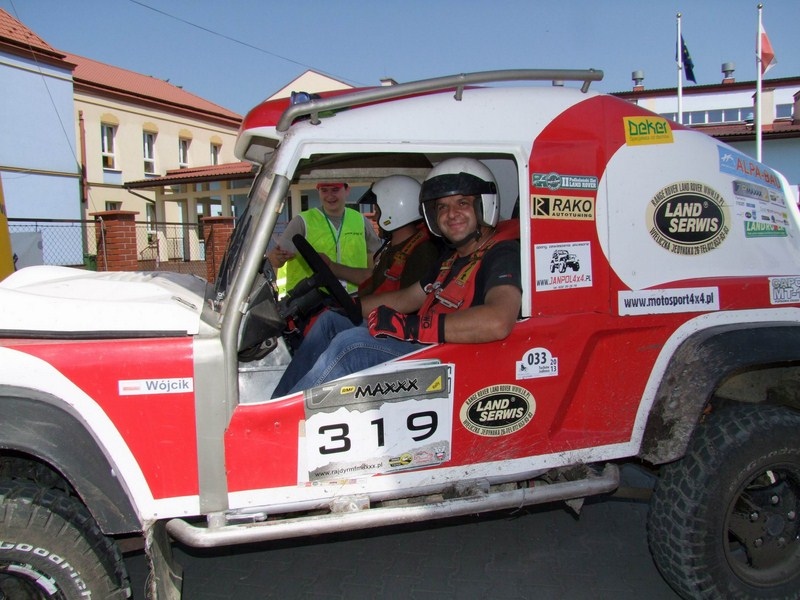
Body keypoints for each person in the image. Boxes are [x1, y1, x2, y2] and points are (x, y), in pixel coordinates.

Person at [273, 157, 521, 396]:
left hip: (454, 360)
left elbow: (498, 321)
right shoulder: (452, 258)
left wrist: (412, 327)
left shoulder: (503, 254)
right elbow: (406, 298)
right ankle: (279, 400)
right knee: (331, 322)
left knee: (351, 346)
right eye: (442, 207)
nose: (451, 214)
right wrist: (351, 305)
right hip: (430, 347)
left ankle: (281, 418)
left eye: (462, 203)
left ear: (483, 205)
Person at [271, 174, 441, 397]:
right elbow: (373, 277)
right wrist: (332, 267)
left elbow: (408, 301)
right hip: (377, 318)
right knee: (328, 320)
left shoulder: (423, 252)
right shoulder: (395, 247)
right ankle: (281, 397)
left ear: (393, 210)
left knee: (348, 342)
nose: (375, 215)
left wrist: (356, 305)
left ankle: (287, 409)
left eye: (378, 210)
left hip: (400, 333)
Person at [267, 181, 382, 295]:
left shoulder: (361, 221)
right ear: (318, 191)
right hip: (311, 300)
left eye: (335, 190)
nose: (330, 196)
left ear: (347, 190)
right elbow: (275, 261)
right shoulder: (301, 221)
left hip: (353, 297)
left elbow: (374, 259)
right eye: (324, 190)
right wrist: (278, 257)